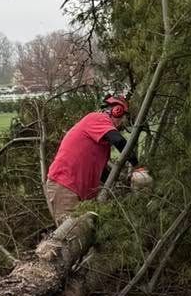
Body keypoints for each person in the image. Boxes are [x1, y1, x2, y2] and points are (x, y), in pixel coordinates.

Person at [43, 92, 144, 226]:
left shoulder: (101, 143)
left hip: (78, 191)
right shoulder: (97, 118)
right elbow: (119, 141)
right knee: (71, 234)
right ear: (117, 111)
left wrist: (121, 181)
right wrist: (137, 165)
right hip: (65, 186)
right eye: (123, 117)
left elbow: (102, 173)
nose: (122, 123)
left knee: (87, 231)